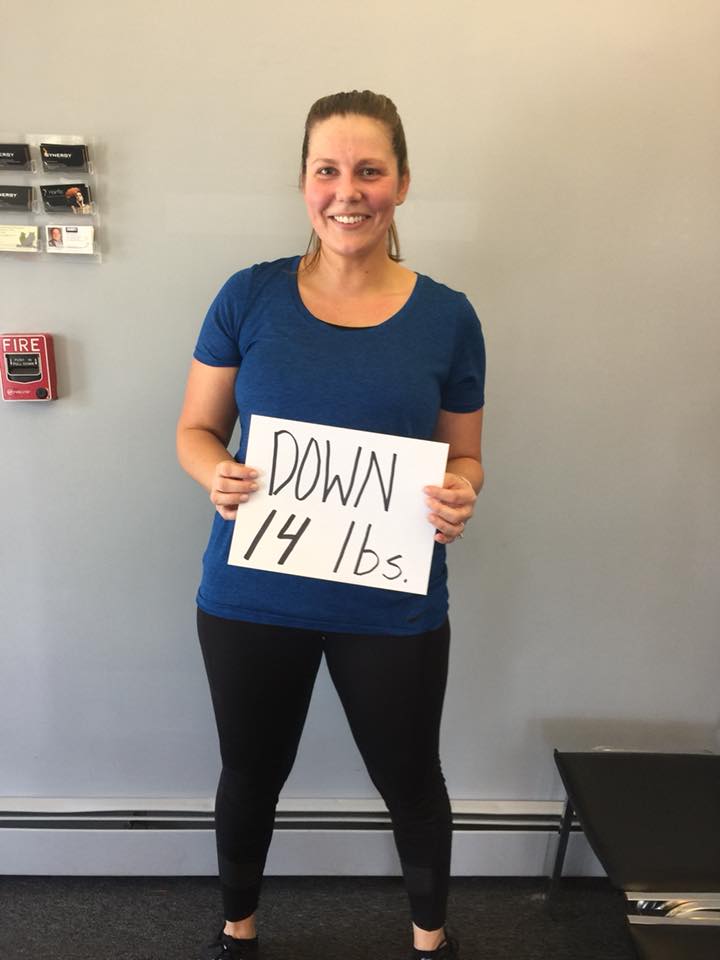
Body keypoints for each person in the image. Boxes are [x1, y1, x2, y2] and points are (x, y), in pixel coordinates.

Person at [176, 90, 486, 960]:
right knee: (250, 774)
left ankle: (431, 942)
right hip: (252, 594)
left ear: (401, 183)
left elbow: (466, 456)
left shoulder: (449, 317)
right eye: (328, 170)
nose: (347, 191)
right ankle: (238, 933)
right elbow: (195, 430)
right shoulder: (249, 296)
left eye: (369, 171)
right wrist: (215, 472)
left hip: (389, 601)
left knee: (411, 779)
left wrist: (460, 491)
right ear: (304, 182)